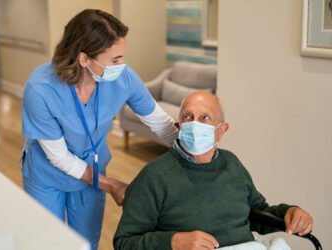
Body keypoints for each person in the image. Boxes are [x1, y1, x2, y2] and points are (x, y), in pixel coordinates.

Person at [21, 9, 178, 250]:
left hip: (91, 170)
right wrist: (111, 184)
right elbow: (59, 157)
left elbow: (159, 122)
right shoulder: (41, 89)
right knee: (47, 243)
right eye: (115, 60)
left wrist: (191, 148)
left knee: (85, 244)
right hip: (47, 174)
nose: (122, 65)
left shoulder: (123, 77)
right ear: (84, 59)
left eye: (122, 57)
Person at [113, 92, 314, 250]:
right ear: (178, 126)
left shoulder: (232, 164)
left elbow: (257, 213)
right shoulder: (154, 176)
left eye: (205, 117)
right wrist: (172, 242)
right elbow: (124, 242)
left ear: (221, 129)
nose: (194, 124)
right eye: (188, 117)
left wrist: (290, 212)